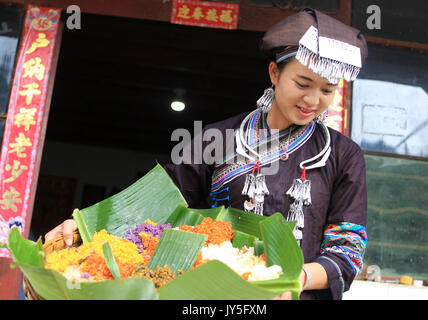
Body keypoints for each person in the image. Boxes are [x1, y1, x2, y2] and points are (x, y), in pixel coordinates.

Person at [45, 7, 368, 300]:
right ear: (274, 73)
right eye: (303, 83)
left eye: (327, 90)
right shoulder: (217, 138)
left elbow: (348, 251)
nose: (313, 100)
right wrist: (82, 226)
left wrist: (295, 279)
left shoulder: (343, 156)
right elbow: (159, 202)